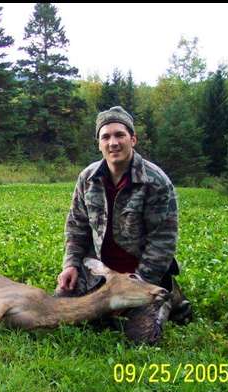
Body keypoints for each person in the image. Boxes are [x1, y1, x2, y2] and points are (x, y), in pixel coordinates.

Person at [56, 106, 192, 345]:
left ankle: (170, 297)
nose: (113, 142)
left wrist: (132, 288)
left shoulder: (156, 181)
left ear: (133, 139)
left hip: (143, 278)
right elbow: (77, 228)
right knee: (59, 312)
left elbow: (162, 243)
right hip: (101, 273)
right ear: (98, 143)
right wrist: (71, 265)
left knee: (141, 337)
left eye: (119, 135)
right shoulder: (87, 179)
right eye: (105, 136)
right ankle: (107, 303)